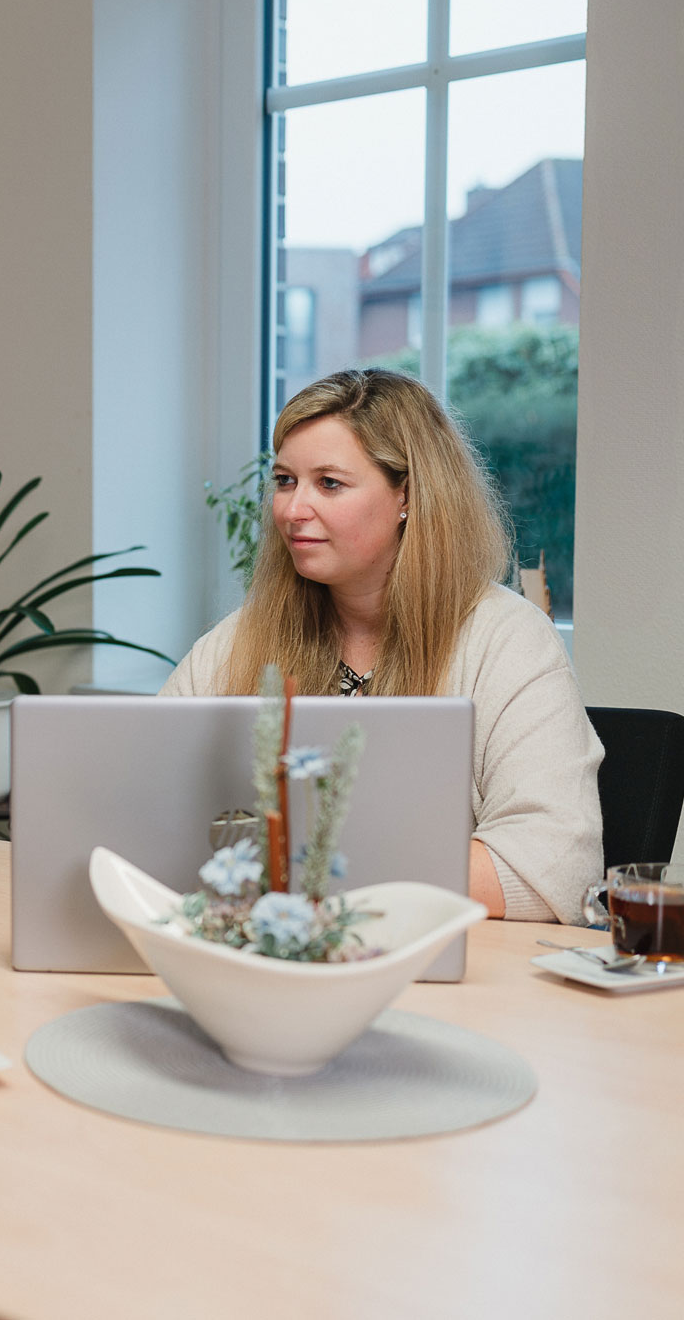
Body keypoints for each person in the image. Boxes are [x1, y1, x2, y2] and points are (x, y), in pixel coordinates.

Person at [161, 367, 602, 924]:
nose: (293, 511)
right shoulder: (238, 643)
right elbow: (149, 810)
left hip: (448, 980)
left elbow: (557, 869)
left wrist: (312, 873)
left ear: (407, 496)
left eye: (329, 483)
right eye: (284, 481)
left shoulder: (508, 641)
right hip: (272, 968)